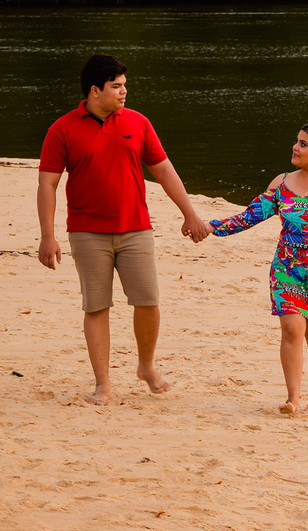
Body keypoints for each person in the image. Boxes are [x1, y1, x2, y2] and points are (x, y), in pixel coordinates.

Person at [38, 54, 209, 405]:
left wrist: (190, 214)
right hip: (86, 232)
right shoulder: (62, 129)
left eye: (124, 85)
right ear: (95, 90)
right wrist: (47, 235)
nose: (124, 92)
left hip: (136, 229)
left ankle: (146, 367)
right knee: (96, 307)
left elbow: (164, 171)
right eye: (116, 86)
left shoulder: (138, 122)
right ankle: (103, 384)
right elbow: (47, 185)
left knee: (148, 302)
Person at [205, 122, 308, 415]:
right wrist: (211, 227)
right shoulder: (282, 183)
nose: (295, 147)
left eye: (303, 144)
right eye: (297, 141)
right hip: (287, 268)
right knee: (291, 328)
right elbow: (250, 216)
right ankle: (293, 399)